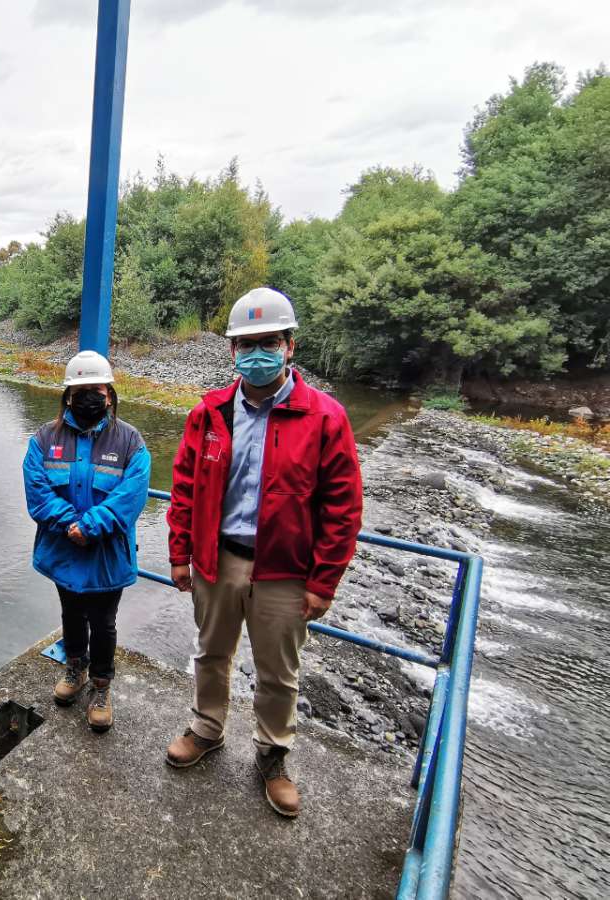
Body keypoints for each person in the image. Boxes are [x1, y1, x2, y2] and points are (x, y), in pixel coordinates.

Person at [164, 288, 363, 818]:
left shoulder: (324, 418)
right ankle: (207, 728)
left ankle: (272, 756)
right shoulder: (209, 414)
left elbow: (343, 508)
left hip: (285, 571)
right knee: (211, 653)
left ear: (289, 346)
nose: (257, 353)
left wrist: (324, 582)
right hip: (218, 560)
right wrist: (179, 554)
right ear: (232, 352)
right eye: (246, 344)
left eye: (267, 342)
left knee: (278, 674)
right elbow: (183, 489)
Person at [23, 350, 151, 732]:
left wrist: (91, 526)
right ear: (67, 395)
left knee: (104, 621)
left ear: (109, 393)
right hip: (64, 550)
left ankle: (100, 685)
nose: (89, 396)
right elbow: (37, 490)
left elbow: (132, 493)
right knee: (71, 612)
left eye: (95, 388)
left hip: (106, 554)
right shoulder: (45, 438)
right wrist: (69, 525)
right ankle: (74, 667)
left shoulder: (130, 441)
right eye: (80, 390)